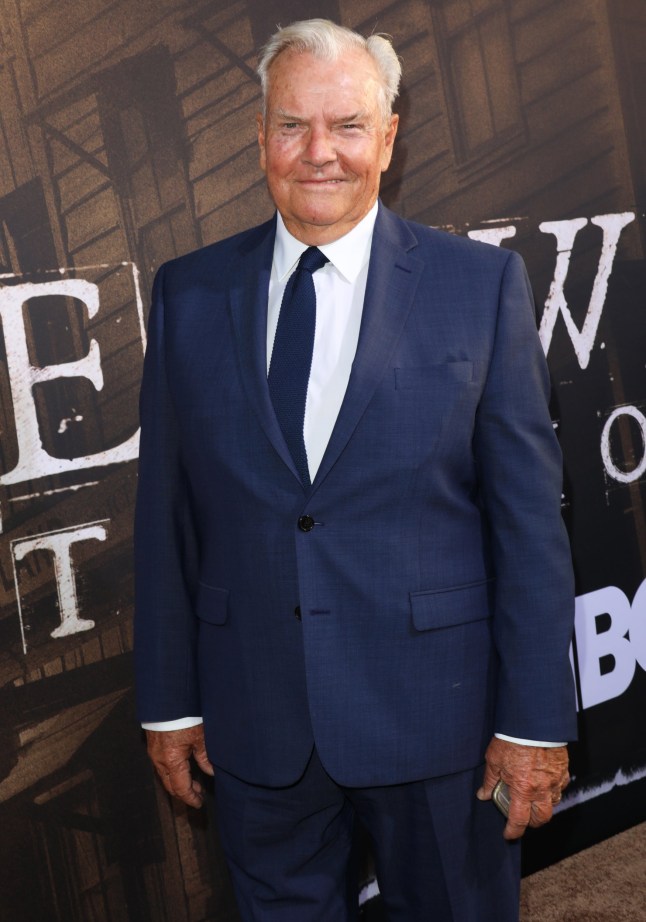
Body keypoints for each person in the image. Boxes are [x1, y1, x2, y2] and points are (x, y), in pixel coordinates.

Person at [134, 18, 577, 922]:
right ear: (258, 137)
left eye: (345, 126)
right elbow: (165, 519)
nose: (318, 154)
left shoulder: (476, 287)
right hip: (256, 724)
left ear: (387, 136)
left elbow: (528, 523)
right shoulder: (189, 293)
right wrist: (168, 701)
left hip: (441, 722)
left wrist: (532, 722)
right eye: (292, 126)